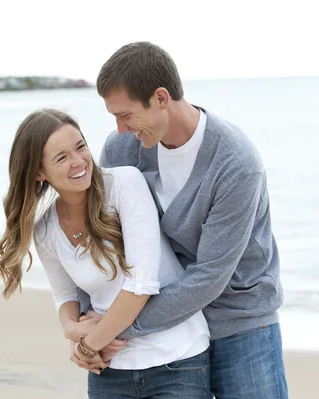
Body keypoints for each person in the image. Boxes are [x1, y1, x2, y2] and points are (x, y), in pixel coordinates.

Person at [92, 41, 288, 399]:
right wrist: (84, 319)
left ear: (161, 98)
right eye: (114, 117)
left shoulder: (236, 164)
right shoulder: (122, 150)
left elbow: (209, 277)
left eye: (126, 115)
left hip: (239, 323)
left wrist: (113, 329)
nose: (120, 128)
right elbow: (106, 238)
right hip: (169, 328)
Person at [0, 109, 211, 399]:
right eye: (62, 157)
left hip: (175, 359)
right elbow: (66, 296)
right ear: (39, 172)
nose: (78, 162)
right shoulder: (45, 230)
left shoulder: (124, 184)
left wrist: (89, 344)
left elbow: (141, 285)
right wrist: (72, 330)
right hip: (108, 370)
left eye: (80, 147)